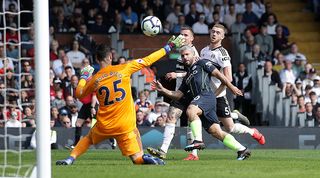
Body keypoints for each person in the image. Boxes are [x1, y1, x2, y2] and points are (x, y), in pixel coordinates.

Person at [56, 35, 185, 165]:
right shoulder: (124, 68)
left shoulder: (95, 79)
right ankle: (144, 158)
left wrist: (84, 77)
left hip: (105, 125)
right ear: (110, 57)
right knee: (137, 159)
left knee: (88, 138)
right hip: (124, 125)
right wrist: (169, 47)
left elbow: (79, 94)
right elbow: (148, 60)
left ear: (97, 59)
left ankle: (70, 159)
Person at [152, 45, 250, 160]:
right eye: (182, 56)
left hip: (206, 96)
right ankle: (242, 150)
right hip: (203, 101)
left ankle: (198, 140)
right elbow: (178, 95)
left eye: (187, 54)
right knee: (216, 132)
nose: (185, 57)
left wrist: (231, 87)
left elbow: (219, 75)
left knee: (190, 110)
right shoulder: (187, 76)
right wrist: (163, 90)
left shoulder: (202, 63)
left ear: (193, 54)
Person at [200, 24, 265, 145]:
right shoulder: (204, 51)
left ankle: (252, 132)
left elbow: (228, 78)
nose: (214, 34)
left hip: (217, 96)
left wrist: (214, 95)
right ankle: (194, 152)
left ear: (223, 36)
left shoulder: (223, 54)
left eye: (218, 33)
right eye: (213, 31)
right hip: (205, 93)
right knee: (195, 115)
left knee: (230, 128)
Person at [147, 26, 201, 161]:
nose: (182, 37)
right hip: (179, 93)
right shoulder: (181, 51)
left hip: (191, 93)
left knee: (191, 122)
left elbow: (196, 72)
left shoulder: (193, 53)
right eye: (181, 35)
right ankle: (163, 150)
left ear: (192, 38)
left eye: (186, 35)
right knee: (171, 117)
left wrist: (176, 75)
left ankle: (194, 154)